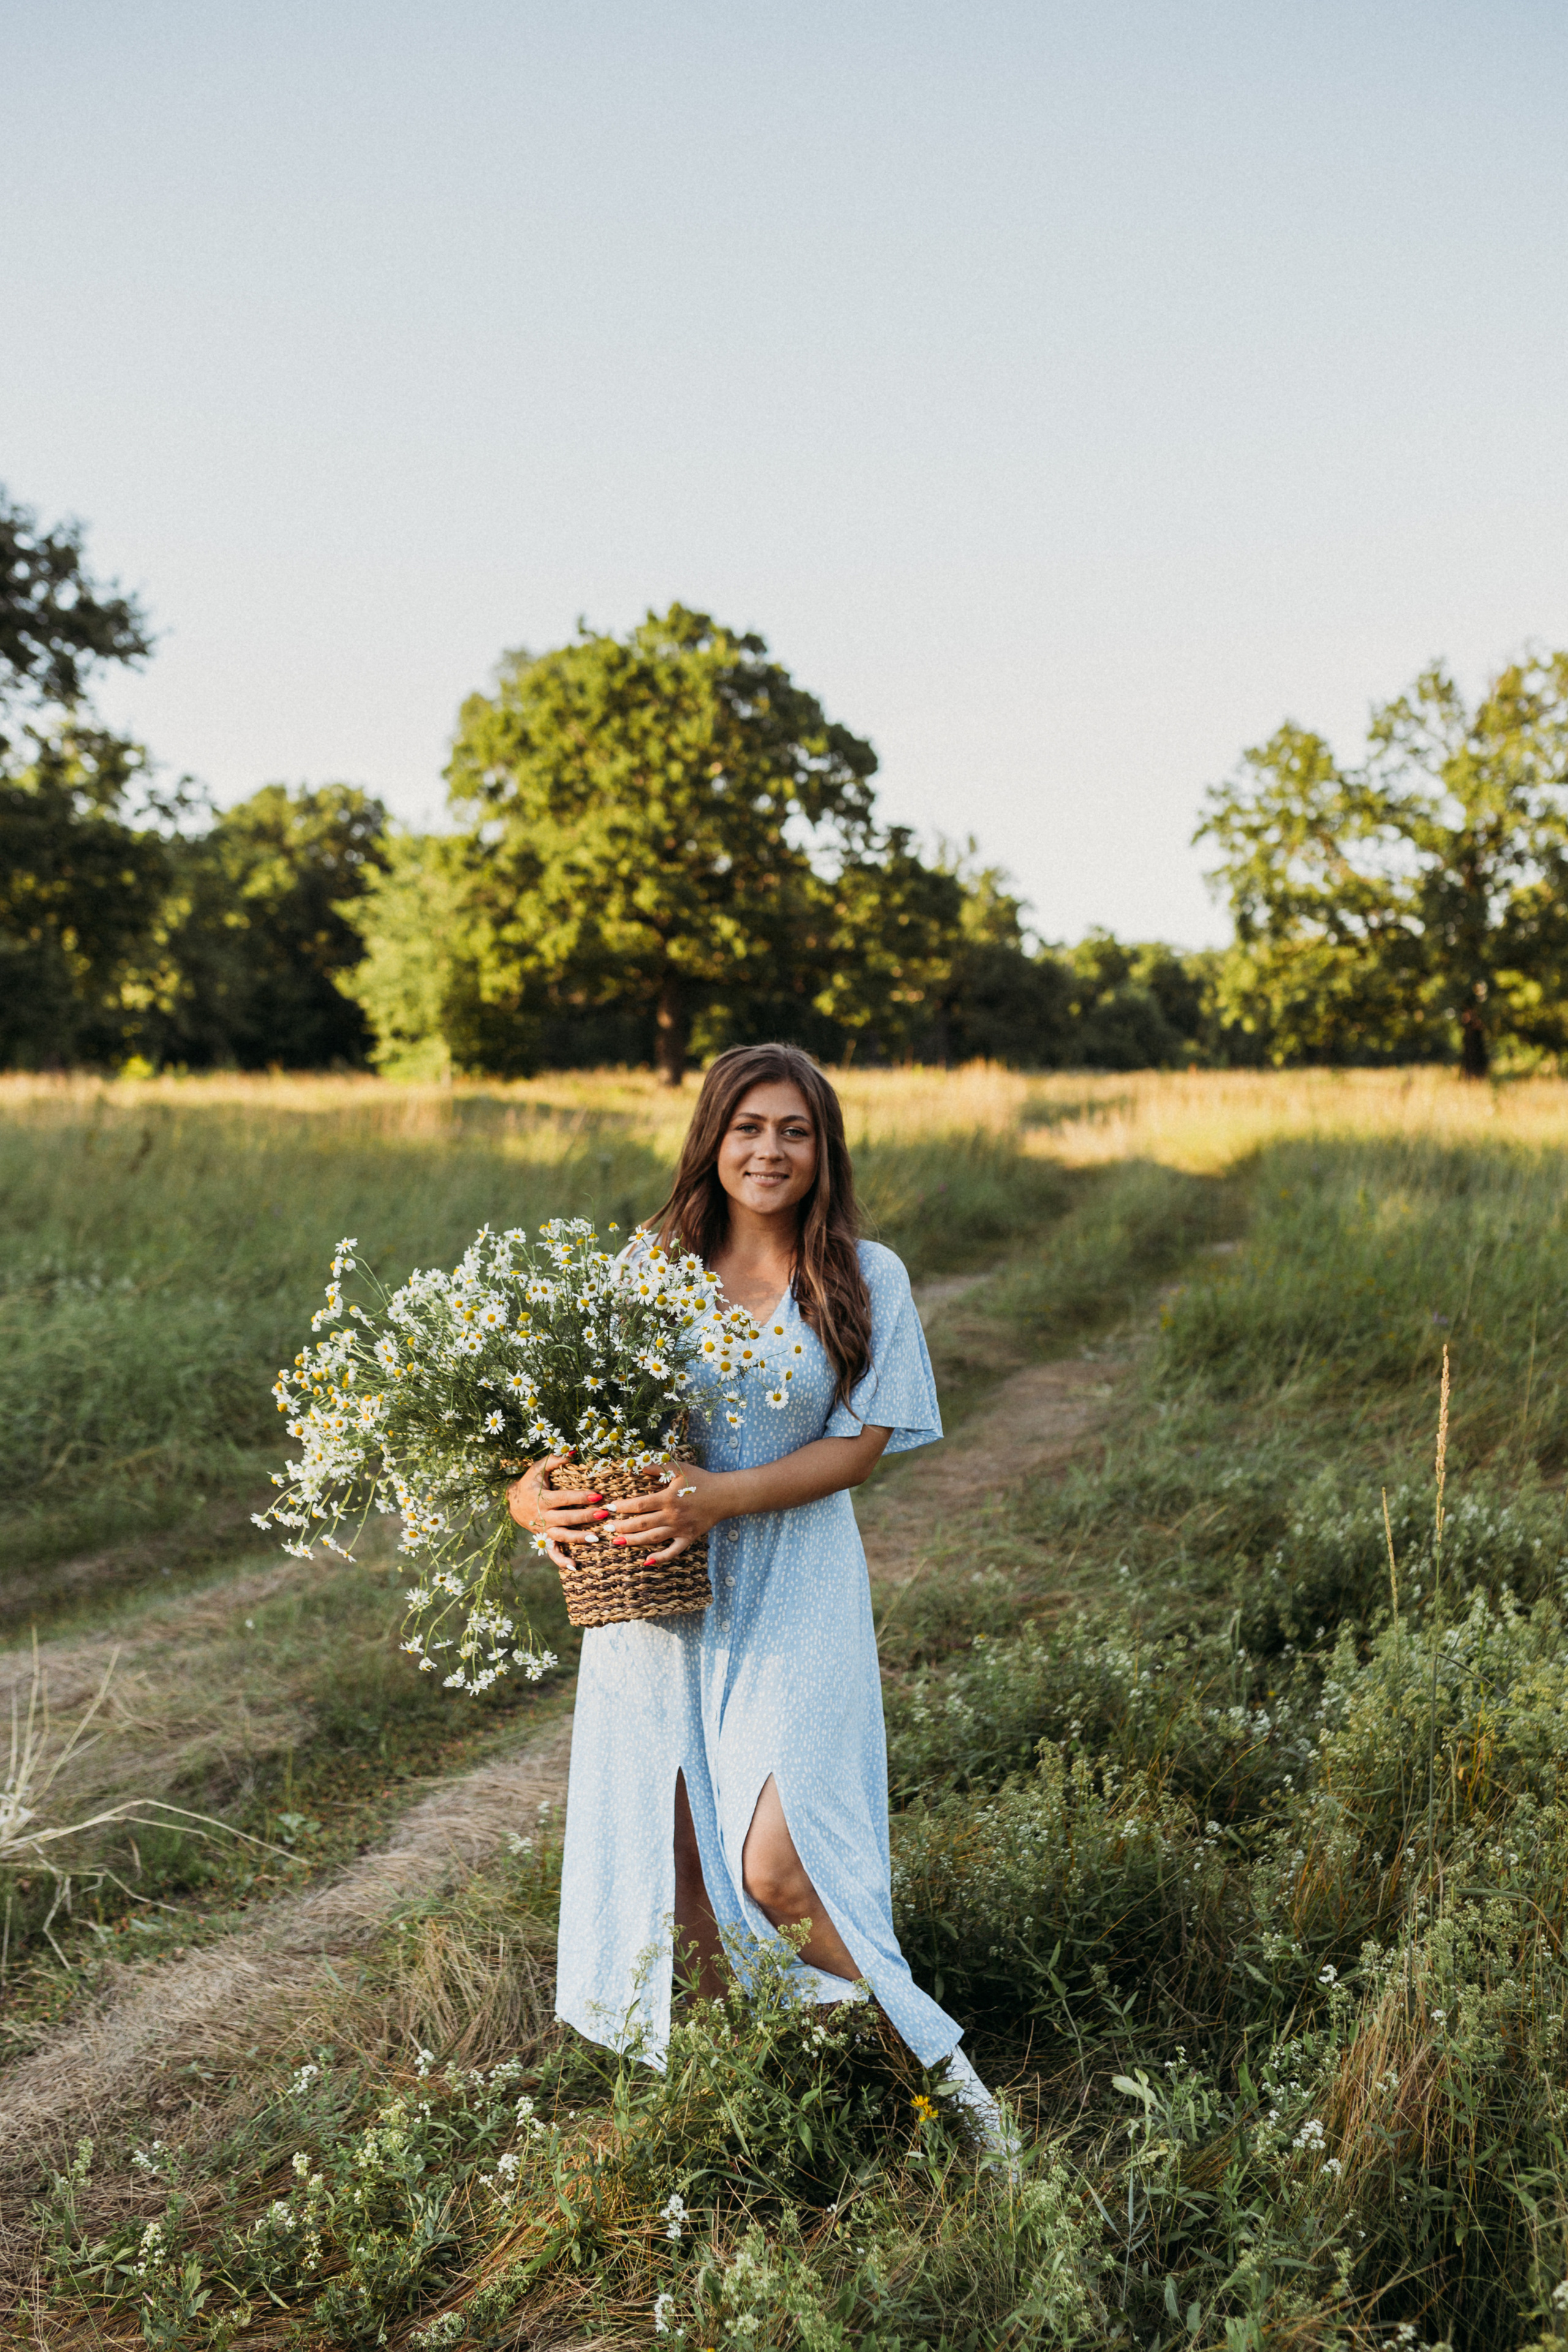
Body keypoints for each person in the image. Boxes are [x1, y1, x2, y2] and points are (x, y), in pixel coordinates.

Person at [506, 1042, 1006, 2141]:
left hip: (797, 1589)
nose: (768, 1150)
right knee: (686, 1893)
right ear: (712, 1140)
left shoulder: (865, 1275)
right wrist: (531, 1499)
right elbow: (557, 1445)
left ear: (822, 1149)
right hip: (654, 1605)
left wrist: (719, 1499)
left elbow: (861, 1449)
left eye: (793, 1130)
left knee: (779, 1869)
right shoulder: (648, 1266)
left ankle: (956, 2098)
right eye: (747, 1127)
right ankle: (772, 2114)